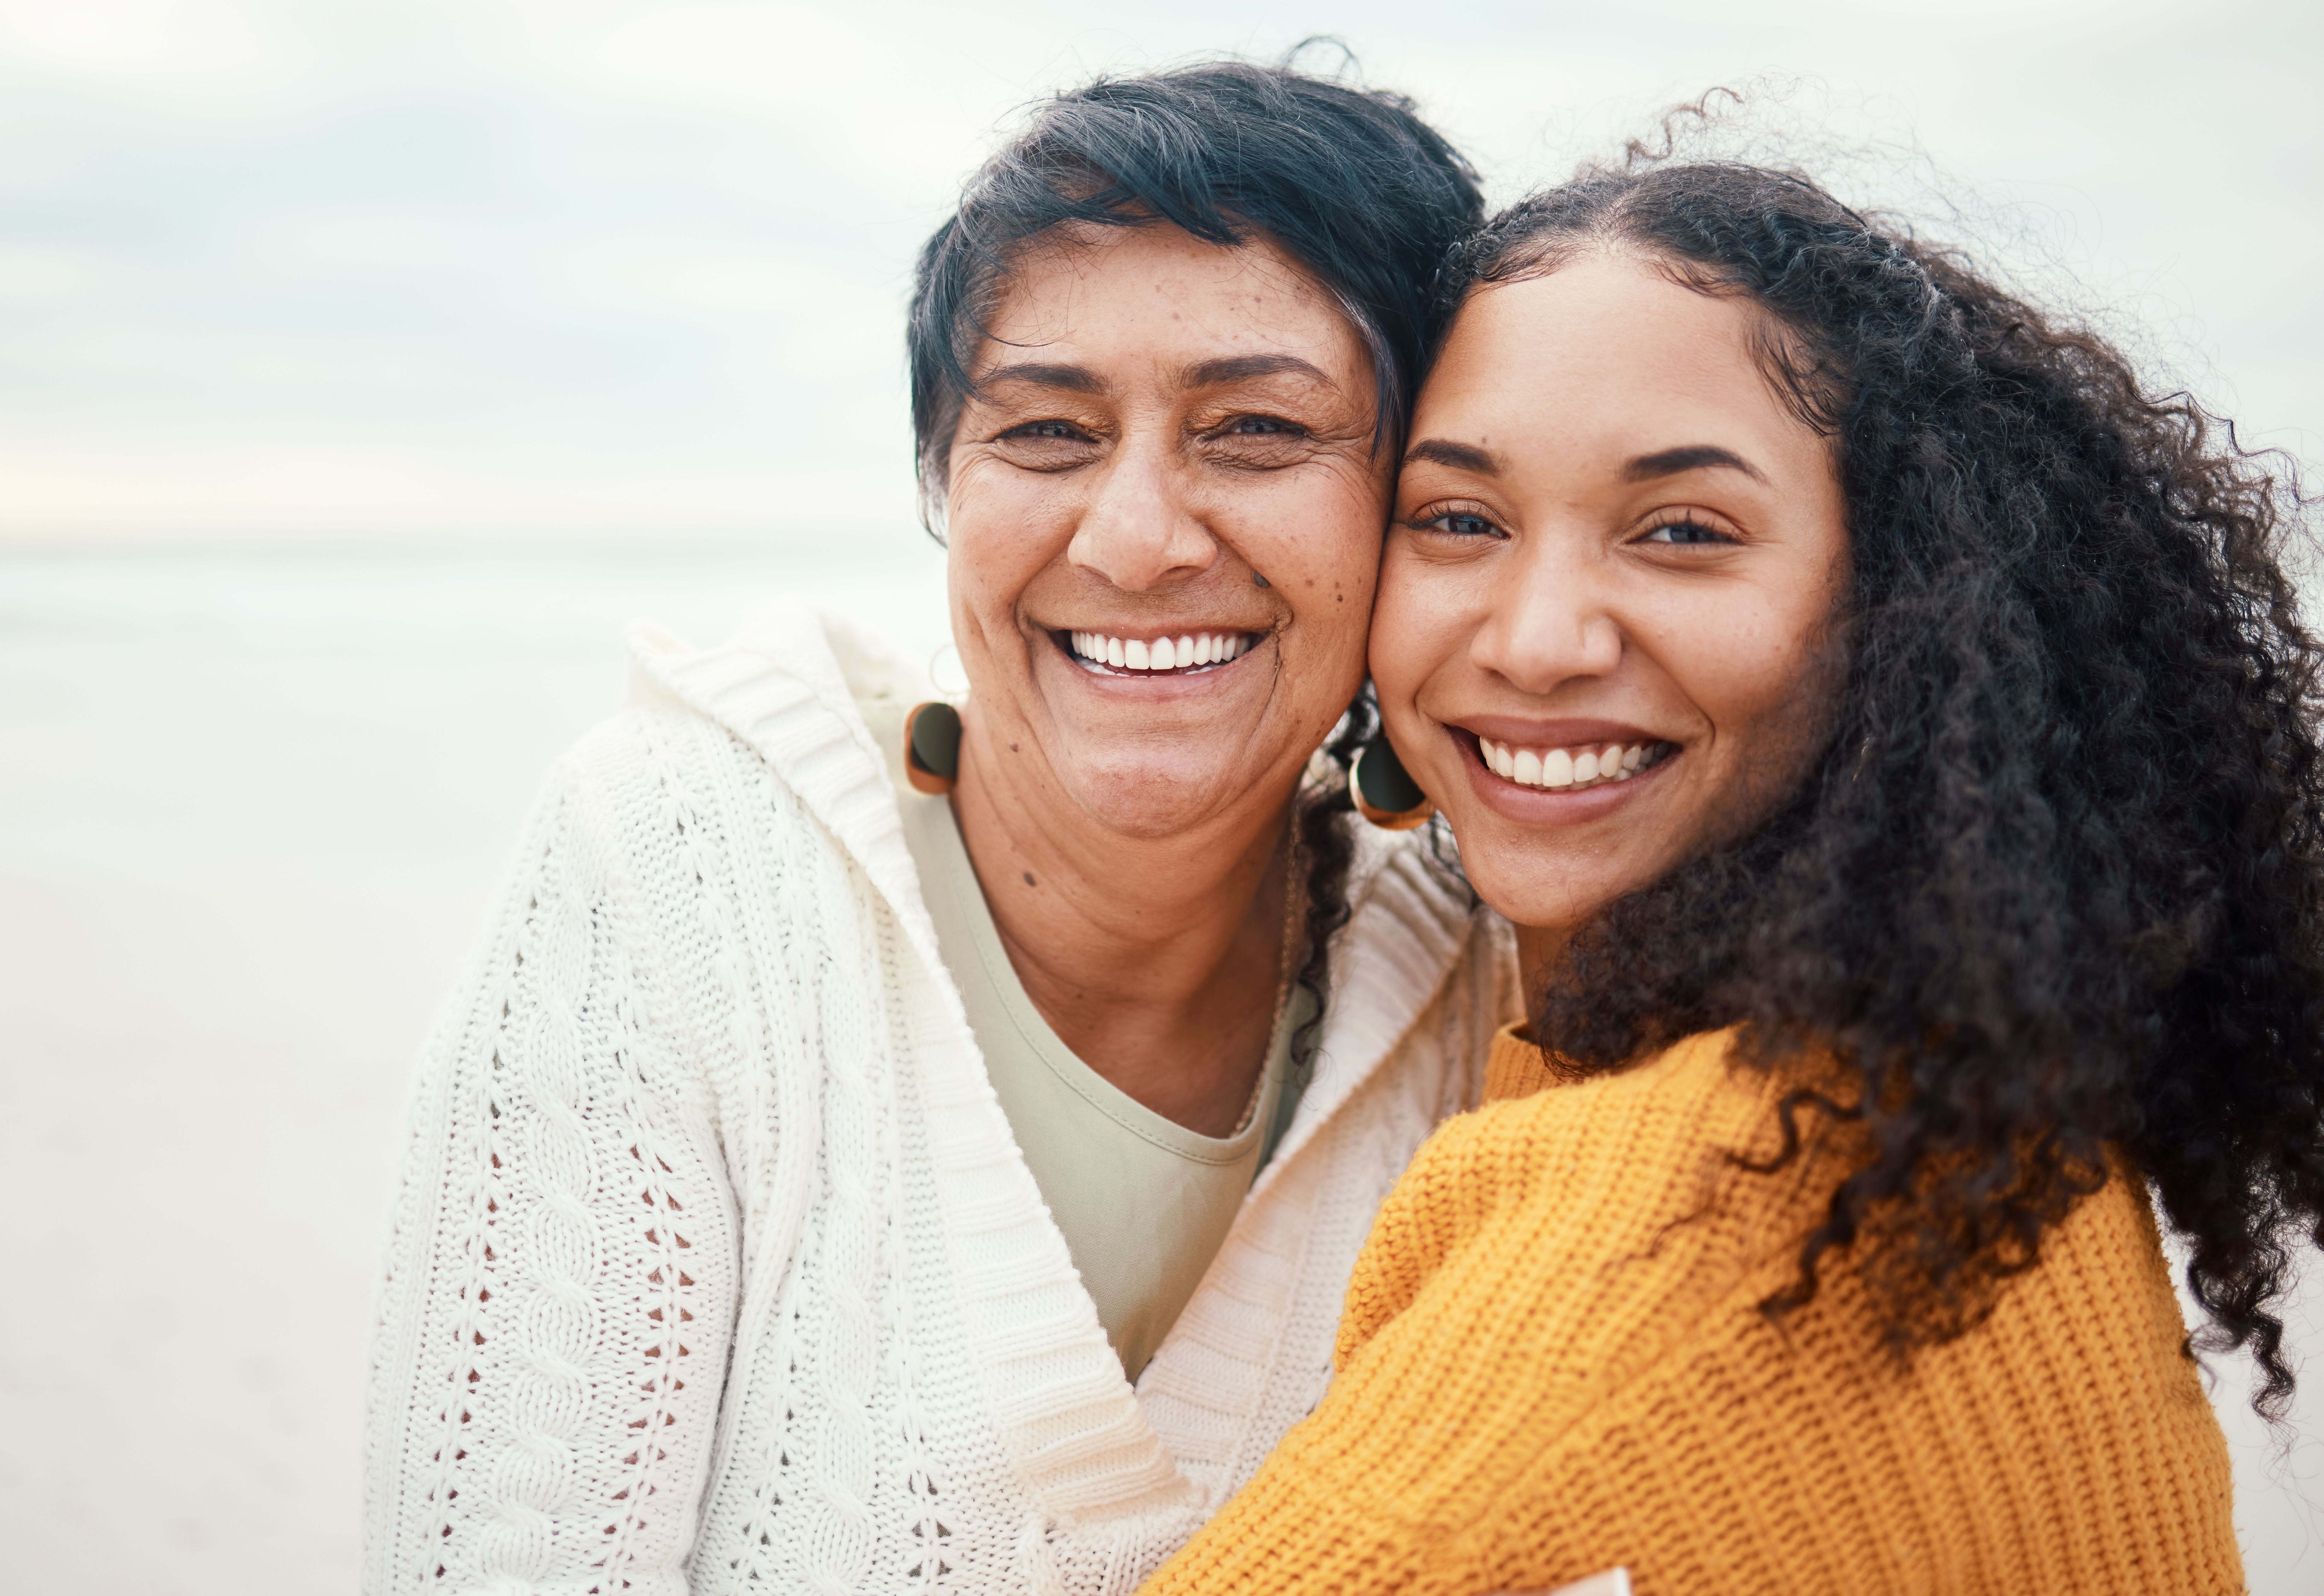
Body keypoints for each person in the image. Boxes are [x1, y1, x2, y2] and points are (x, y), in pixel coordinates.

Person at [361, 62, 1517, 1594]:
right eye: (1045, 432)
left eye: (1254, 429)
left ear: (1428, 504)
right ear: (940, 481)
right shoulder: (682, 867)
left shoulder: (1495, 989)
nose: (1134, 537)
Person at [1141, 155, 2324, 1595]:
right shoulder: (1951, 1094)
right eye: (1458, 518)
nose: (1540, 639)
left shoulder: (1717, 1191)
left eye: (1684, 531)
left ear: (1904, 607)